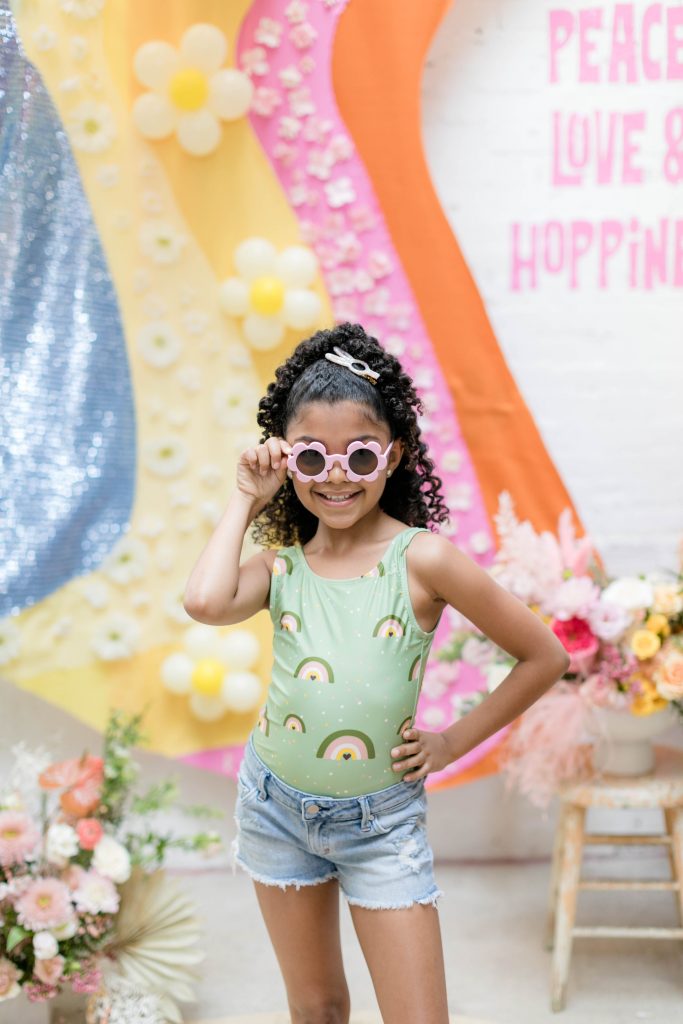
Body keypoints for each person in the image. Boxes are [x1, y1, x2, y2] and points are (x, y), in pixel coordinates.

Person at [184, 322, 570, 1024]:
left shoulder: (422, 560)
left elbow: (545, 656)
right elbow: (205, 602)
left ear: (392, 457)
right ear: (287, 460)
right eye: (312, 456)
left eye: (359, 455)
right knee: (318, 1007)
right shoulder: (281, 566)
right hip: (274, 807)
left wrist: (451, 742)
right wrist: (246, 497)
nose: (336, 475)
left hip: (380, 825)